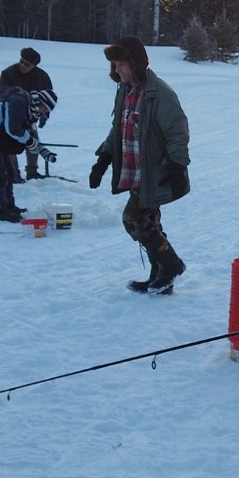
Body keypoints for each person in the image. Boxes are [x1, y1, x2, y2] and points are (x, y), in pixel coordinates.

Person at [89, 36, 191, 295]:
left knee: (133, 219)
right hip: (133, 171)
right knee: (149, 222)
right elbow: (118, 130)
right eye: (114, 65)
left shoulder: (160, 94)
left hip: (154, 172)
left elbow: (177, 131)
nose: (116, 70)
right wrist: (103, 160)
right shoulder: (125, 91)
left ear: (136, 64)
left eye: (121, 64)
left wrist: (177, 166)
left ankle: (171, 265)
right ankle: (160, 277)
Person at [0, 86, 57, 221]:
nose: (44, 113)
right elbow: (13, 129)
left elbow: (31, 135)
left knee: (10, 173)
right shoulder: (19, 102)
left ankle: (9, 205)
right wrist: (30, 142)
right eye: (45, 109)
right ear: (42, 103)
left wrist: (43, 152)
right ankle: (0, 209)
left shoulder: (31, 110)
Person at [0, 47, 57, 181]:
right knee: (11, 141)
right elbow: (3, 96)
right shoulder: (8, 73)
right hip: (11, 114)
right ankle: (13, 173)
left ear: (34, 66)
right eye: (21, 61)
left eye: (27, 64)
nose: (23, 65)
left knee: (33, 141)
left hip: (31, 116)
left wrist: (44, 115)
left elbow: (48, 99)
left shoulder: (42, 77)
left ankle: (32, 171)